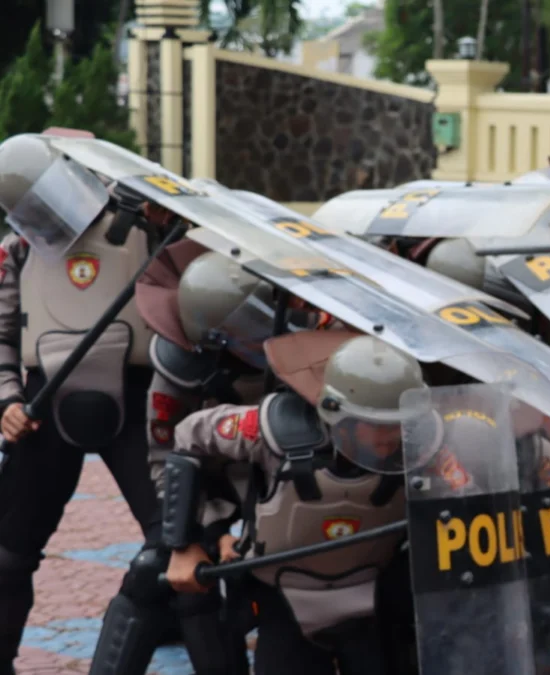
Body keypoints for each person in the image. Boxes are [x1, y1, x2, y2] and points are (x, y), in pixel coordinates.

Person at [161, 329, 482, 675]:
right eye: (375, 425)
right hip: (283, 594)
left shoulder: (425, 443)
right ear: (336, 413)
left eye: (398, 424)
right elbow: (189, 435)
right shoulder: (272, 429)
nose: (390, 437)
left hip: (371, 594)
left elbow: (467, 494)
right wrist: (186, 542)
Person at [0, 133, 166, 675]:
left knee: (177, 544)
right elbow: (2, 335)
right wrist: (7, 400)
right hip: (42, 405)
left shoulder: (148, 227)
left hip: (134, 397)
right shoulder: (18, 249)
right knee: (7, 554)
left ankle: (134, 645)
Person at [90, 245, 276, 675]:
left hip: (278, 494)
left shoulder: (295, 351)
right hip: (204, 487)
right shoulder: (174, 366)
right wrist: (200, 536)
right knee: (160, 571)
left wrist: (250, 531)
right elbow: (163, 459)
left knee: (255, 587)